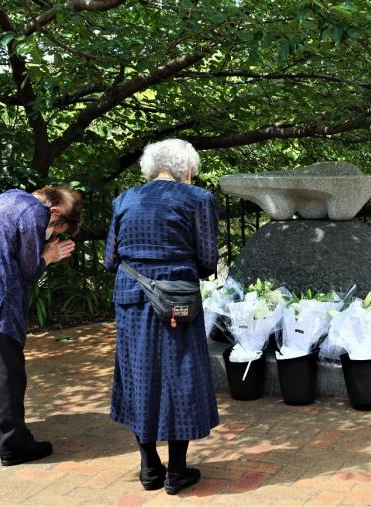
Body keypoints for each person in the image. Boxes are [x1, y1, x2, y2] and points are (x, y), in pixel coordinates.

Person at [105, 138, 219, 495]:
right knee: (179, 373)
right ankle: (178, 470)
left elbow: (111, 259)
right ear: (187, 170)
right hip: (175, 300)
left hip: (131, 299)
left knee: (139, 375)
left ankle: (149, 466)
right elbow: (208, 259)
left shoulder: (124, 199)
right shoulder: (198, 199)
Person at [0, 186, 81, 466]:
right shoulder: (35, 212)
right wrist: (48, 255)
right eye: (58, 230)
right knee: (6, 371)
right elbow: (29, 269)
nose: (53, 235)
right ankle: (14, 445)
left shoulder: (8, 197)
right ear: (55, 212)